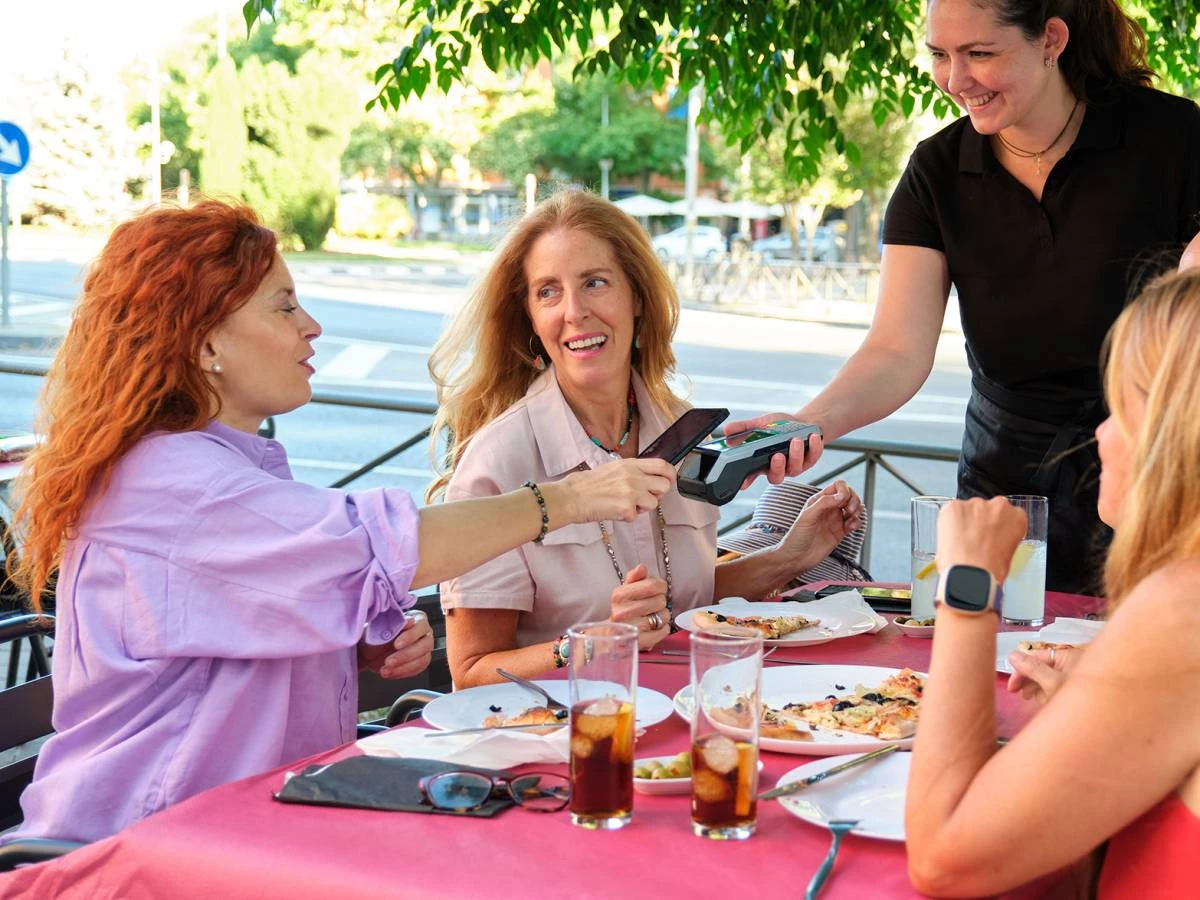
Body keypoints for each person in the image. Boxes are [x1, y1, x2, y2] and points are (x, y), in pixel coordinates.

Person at [2, 200, 676, 846]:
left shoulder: (218, 468)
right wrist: (569, 500)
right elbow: (382, 543)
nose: (311, 325)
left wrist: (348, 649)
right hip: (147, 849)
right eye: (285, 304)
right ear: (205, 341)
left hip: (251, 828)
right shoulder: (175, 483)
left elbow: (221, 635)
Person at [728, 0, 1200, 594]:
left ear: (1051, 39)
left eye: (980, 54)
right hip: (1002, 493)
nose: (956, 80)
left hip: (1154, 472)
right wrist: (807, 423)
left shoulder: (1175, 138)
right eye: (940, 55)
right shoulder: (937, 170)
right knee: (989, 659)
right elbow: (896, 350)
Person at [428, 190, 863, 688]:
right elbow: (472, 674)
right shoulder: (498, 461)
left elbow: (684, 604)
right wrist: (597, 642)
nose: (574, 311)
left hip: (697, 710)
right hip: (566, 740)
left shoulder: (683, 427)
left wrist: (793, 554)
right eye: (548, 291)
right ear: (529, 316)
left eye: (594, 282)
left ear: (637, 296)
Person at [905, 268, 1200, 897]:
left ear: (1176, 438)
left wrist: (967, 587)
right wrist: (1097, 699)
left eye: (1121, 408)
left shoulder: (1183, 607)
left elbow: (941, 856)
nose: (1100, 434)